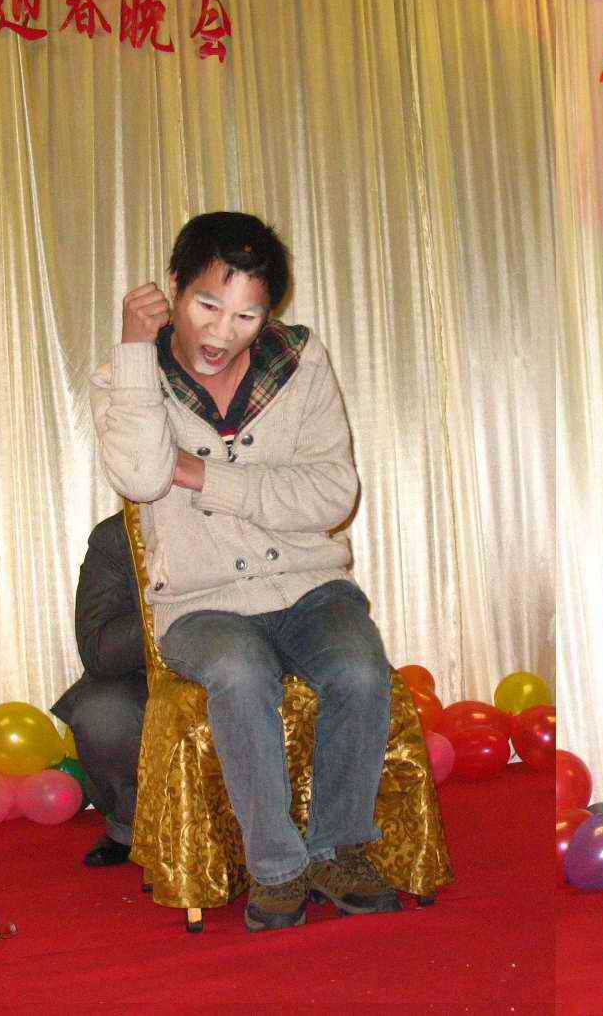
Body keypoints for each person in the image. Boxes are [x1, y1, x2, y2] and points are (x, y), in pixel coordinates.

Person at [90, 211, 398, 933]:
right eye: (207, 305)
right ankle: (278, 869)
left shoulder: (299, 363)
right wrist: (135, 350)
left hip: (307, 584)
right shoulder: (126, 377)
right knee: (238, 671)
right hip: (198, 602)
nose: (221, 332)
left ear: (268, 316)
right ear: (174, 287)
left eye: (246, 316)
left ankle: (339, 850)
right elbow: (141, 476)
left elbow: (334, 493)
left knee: (360, 670)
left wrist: (204, 475)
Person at [52, 512, 148, 868]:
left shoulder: (244, 513)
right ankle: (131, 825)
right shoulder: (117, 537)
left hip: (232, 665)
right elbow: (99, 652)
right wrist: (164, 606)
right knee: (102, 713)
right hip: (142, 676)